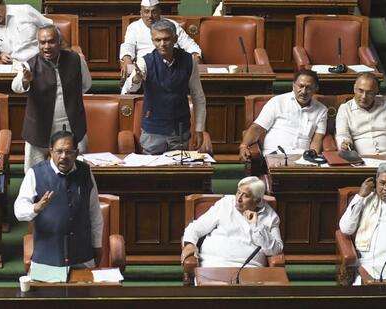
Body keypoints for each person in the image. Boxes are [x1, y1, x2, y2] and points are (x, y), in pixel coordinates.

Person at [14, 130, 103, 269]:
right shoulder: (35, 173)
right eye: (59, 151)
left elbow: (94, 212)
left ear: (77, 152)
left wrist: (97, 245)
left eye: (68, 152)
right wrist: (35, 208)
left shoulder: (85, 172)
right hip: (46, 258)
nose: (63, 156)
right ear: (51, 152)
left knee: (85, 291)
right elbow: (19, 210)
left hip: (82, 256)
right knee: (46, 292)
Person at [12, 24, 92, 172]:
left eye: (51, 42)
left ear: (60, 42)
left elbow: (86, 85)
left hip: (72, 125)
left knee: (78, 171)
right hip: (39, 128)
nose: (46, 46)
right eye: (42, 43)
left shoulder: (76, 60)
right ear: (38, 44)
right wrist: (25, 80)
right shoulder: (30, 64)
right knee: (33, 173)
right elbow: (16, 87)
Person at [121, 19, 206, 155]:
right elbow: (127, 90)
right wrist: (136, 80)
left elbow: (198, 96)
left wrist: (199, 129)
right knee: (151, 173)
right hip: (153, 130)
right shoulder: (144, 61)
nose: (162, 44)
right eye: (157, 40)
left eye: (166, 39)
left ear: (175, 39)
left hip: (179, 129)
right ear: (152, 40)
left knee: (177, 171)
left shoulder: (188, 61)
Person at [181, 176, 283, 267]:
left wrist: (256, 226)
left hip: (250, 268)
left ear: (257, 200)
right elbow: (196, 227)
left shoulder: (270, 217)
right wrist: (190, 244)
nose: (238, 198)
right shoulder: (225, 204)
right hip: (214, 262)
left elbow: (276, 250)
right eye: (238, 192)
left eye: (245, 195)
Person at [239, 69, 328, 161]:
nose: (303, 91)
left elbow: (317, 139)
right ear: (293, 86)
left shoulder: (322, 110)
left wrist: (312, 158)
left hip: (302, 157)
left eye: (308, 87)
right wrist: (243, 145)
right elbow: (257, 128)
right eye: (300, 86)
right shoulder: (277, 102)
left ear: (315, 89)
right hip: (275, 154)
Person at [119, 0, 202, 78]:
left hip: (173, 67)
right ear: (141, 13)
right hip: (146, 69)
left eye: (154, 12)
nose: (150, 16)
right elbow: (128, 46)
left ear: (159, 11)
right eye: (146, 11)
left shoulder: (172, 24)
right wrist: (127, 59)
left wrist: (195, 55)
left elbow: (189, 44)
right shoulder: (133, 27)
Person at [0, 0, 53, 64]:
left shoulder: (25, 10)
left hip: (40, 62)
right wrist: (1, 55)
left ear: (3, 3)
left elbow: (52, 28)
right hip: (13, 67)